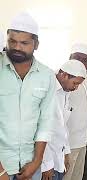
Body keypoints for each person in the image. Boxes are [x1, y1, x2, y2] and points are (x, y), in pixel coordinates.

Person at [0, 12, 56, 180]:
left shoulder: (46, 75)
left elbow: (45, 122)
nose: (17, 47)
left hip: (29, 166)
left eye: (24, 43)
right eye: (12, 41)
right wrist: (1, 171)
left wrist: (37, 161)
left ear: (36, 44)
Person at [41, 60, 87, 180]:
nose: (76, 88)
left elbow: (62, 126)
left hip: (58, 156)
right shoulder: (47, 90)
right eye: (75, 83)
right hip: (45, 160)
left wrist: (66, 153)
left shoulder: (65, 92)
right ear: (64, 75)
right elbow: (40, 130)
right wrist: (46, 164)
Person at [64, 43, 87, 180]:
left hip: (82, 139)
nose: (81, 63)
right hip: (68, 142)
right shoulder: (64, 77)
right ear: (70, 57)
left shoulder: (84, 79)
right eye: (78, 58)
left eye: (85, 60)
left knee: (77, 176)